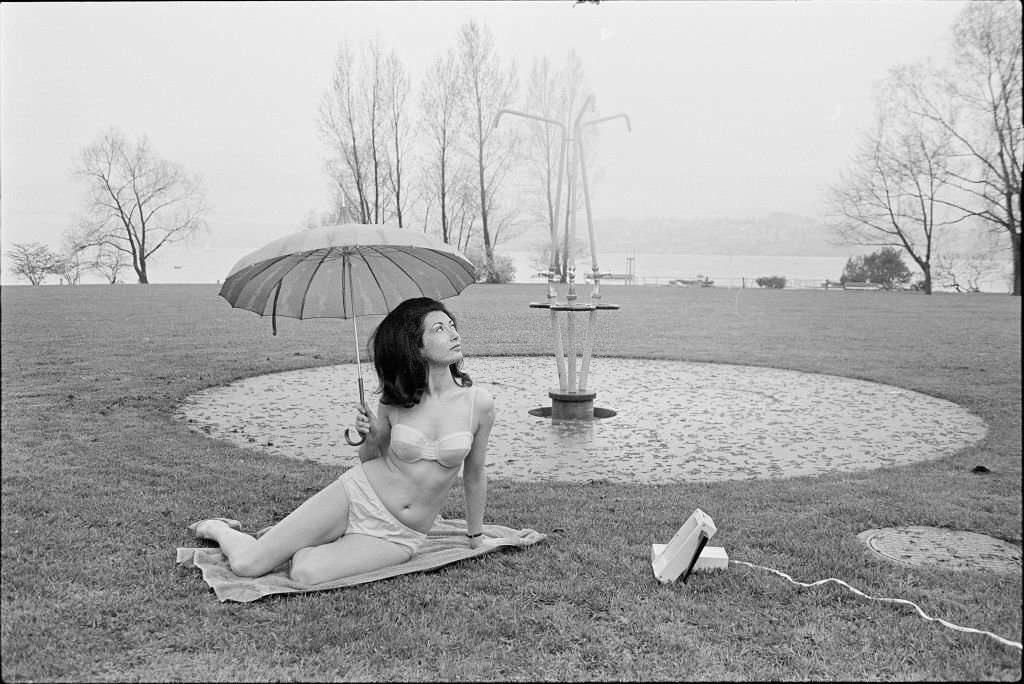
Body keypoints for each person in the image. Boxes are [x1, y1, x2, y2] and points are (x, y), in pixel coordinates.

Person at [188, 297, 495, 585]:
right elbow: (370, 459)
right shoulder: (397, 400)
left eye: (452, 325)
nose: (453, 334)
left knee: (306, 572)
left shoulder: (477, 404)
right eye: (439, 329)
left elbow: (475, 473)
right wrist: (370, 437)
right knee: (247, 566)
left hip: (399, 534)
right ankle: (218, 527)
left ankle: (306, 538)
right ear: (415, 347)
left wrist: (475, 536)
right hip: (358, 494)